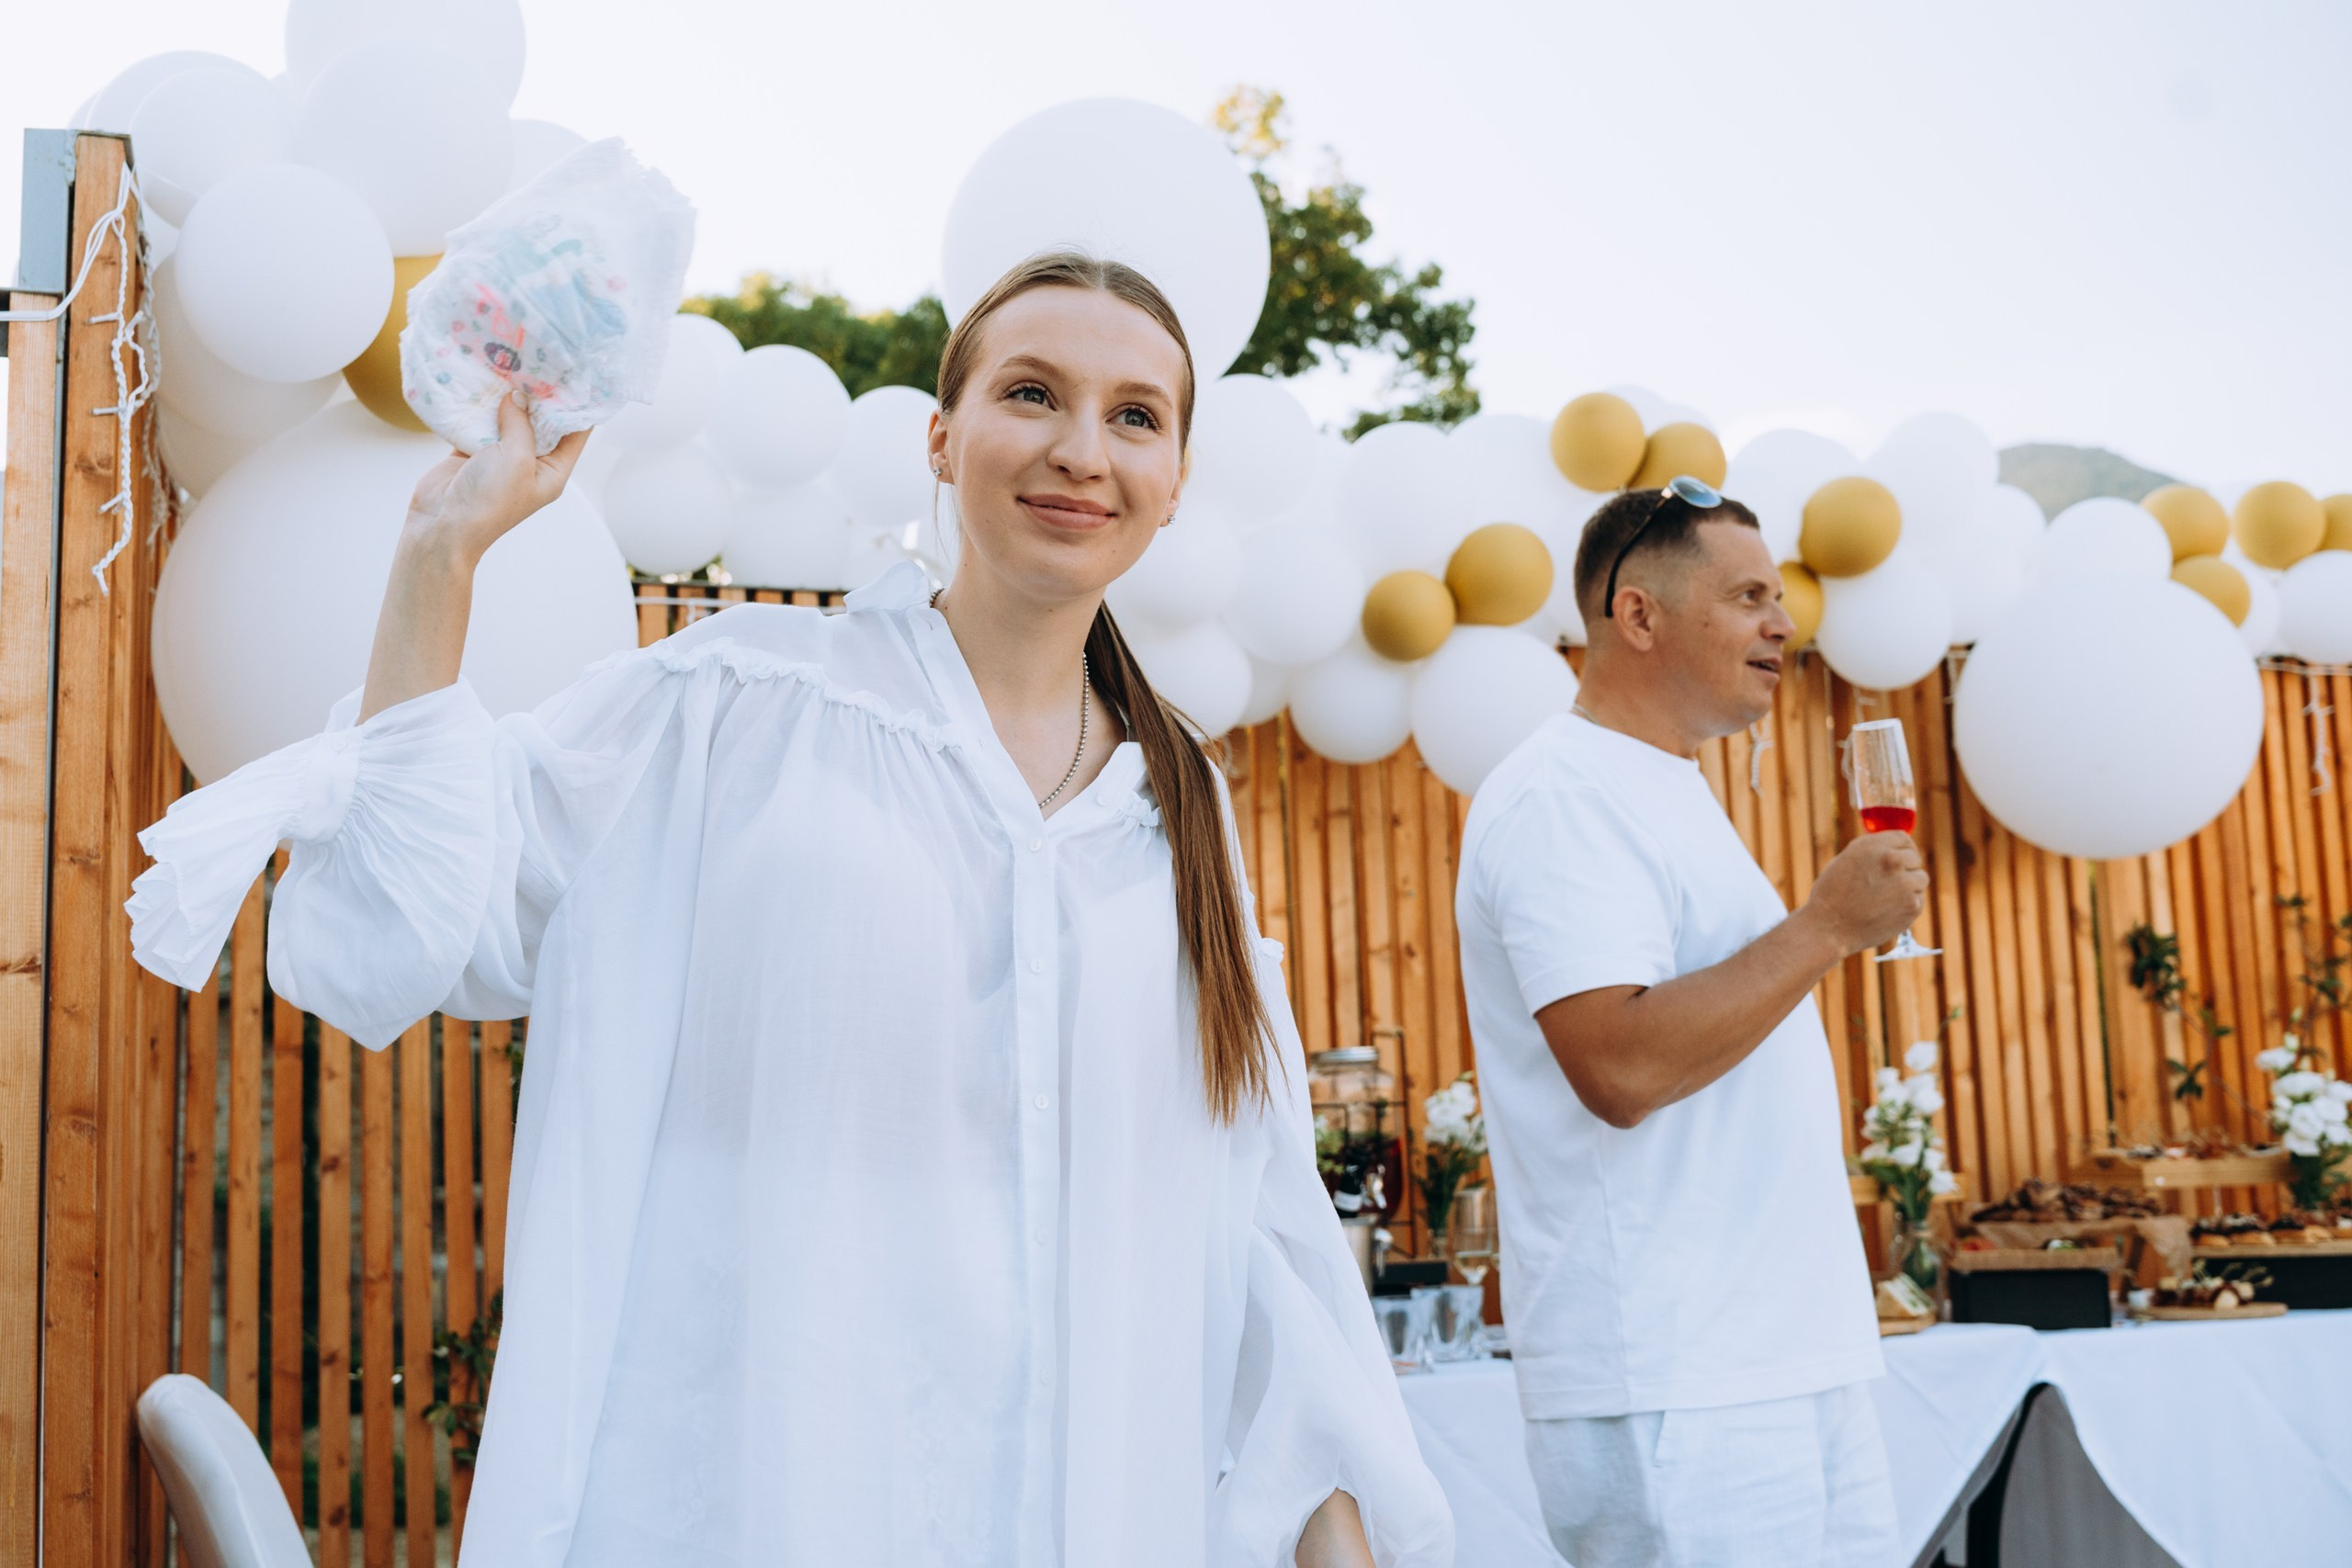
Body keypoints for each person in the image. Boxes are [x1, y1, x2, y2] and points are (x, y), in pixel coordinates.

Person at [129, 254, 1451, 1568]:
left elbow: (1261, 1219)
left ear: (1174, 486)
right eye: (1032, 392)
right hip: (751, 1499)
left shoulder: (1187, 816)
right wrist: (440, 550)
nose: (1080, 450)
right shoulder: (733, 701)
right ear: (943, 437)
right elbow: (407, 921)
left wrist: (1332, 1524)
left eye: (1134, 415)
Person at [1453, 478, 1925, 1567]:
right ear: (1639, 616)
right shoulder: (1560, 793)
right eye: (1749, 594)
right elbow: (1618, 1067)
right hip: (1678, 1379)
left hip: (1780, 1360)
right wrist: (1822, 928)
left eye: (1780, 595)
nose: (1783, 620)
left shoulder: (1664, 786)